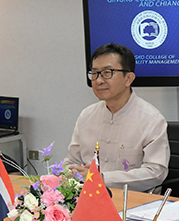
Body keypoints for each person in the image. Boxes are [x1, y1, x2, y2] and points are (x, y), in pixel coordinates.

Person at [65, 43, 169, 191]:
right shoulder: (87, 116)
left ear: (128, 79)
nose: (99, 80)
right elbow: (72, 161)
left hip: (132, 199)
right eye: (94, 73)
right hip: (88, 196)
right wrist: (70, 172)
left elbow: (156, 172)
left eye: (107, 73)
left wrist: (102, 179)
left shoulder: (152, 120)